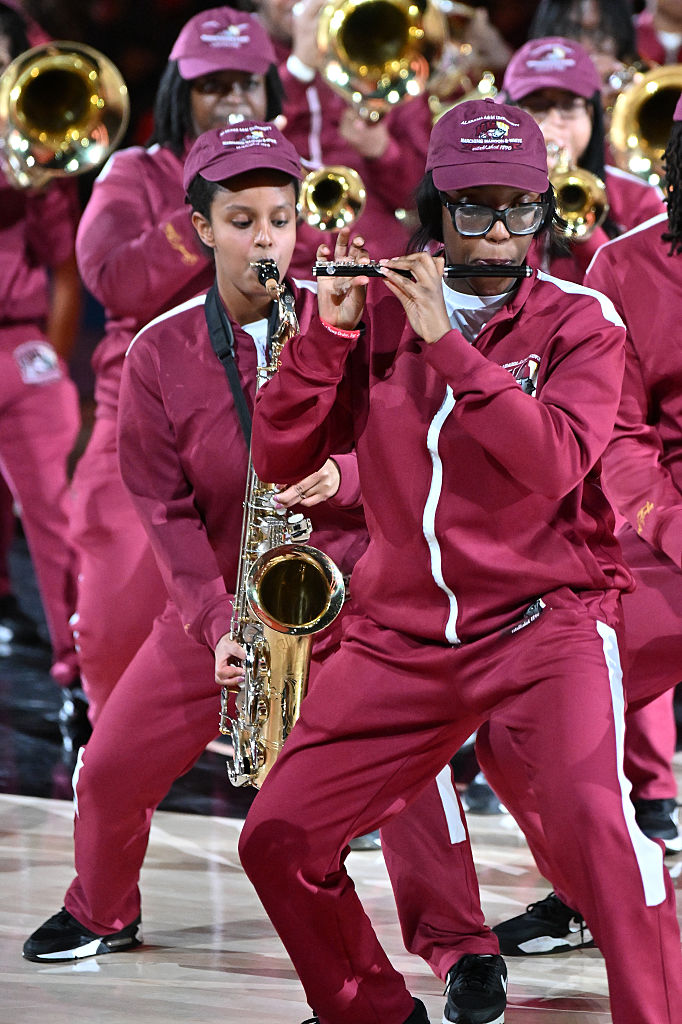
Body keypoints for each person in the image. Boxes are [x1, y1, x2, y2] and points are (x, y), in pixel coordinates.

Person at [23, 124, 511, 1024]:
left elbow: (417, 437)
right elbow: (163, 510)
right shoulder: (159, 351)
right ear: (202, 229)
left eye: (281, 220)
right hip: (225, 604)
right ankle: (102, 908)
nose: (267, 241)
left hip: (352, 594)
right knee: (111, 768)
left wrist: (349, 476)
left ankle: (463, 946)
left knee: (412, 782)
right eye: (242, 221)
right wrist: (214, 623)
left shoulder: (354, 314)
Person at [243, 97, 682, 1024]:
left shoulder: (581, 320)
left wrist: (447, 344)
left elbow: (555, 461)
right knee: (276, 838)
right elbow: (281, 460)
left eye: (520, 209)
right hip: (401, 637)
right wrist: (325, 339)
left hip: (544, 628)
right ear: (435, 208)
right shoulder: (374, 312)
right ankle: (373, 1011)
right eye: (475, 208)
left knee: (602, 833)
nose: (499, 232)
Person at [484, 92, 682, 959]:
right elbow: (622, 438)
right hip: (663, 537)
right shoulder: (624, 268)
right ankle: (593, 891)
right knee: (517, 723)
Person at [71, 5, 286, 724]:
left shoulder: (291, 183)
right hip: (143, 416)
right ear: (179, 92)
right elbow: (113, 280)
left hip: (265, 417)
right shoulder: (135, 172)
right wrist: (211, 210)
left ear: (269, 90)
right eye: (210, 85)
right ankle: (112, 738)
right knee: (113, 622)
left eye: (245, 83)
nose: (231, 99)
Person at [0, 0, 86, 752]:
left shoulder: (36, 146)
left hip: (18, 344)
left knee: (59, 513)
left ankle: (79, 671)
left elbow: (65, 265)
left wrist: (50, 362)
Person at [248, 0, 434, 278]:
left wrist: (382, 151)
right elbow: (235, 147)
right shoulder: (234, 46)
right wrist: (299, 69)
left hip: (374, 251)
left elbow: (421, 197)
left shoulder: (380, 38)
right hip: (276, 248)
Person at [501, 34, 665, 283]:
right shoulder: (486, 194)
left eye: (569, 106)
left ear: (591, 114)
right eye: (537, 106)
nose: (555, 121)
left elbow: (642, 290)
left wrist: (583, 224)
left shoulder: (639, 200)